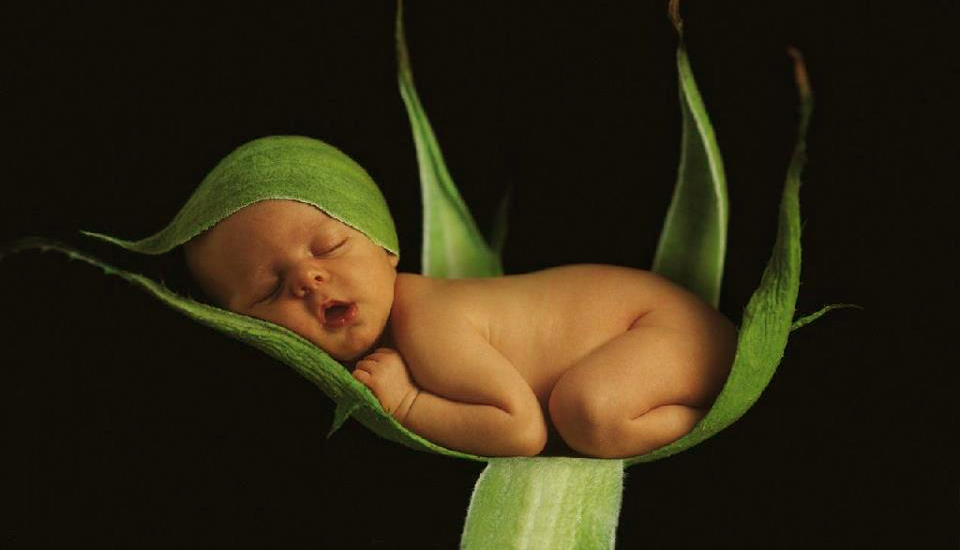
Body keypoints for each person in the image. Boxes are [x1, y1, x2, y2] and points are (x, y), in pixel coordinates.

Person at [182, 194, 737, 459]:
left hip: (663, 329)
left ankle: (722, 417)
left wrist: (406, 404)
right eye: (270, 290)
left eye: (329, 246)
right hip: (651, 335)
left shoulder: (425, 319)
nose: (308, 278)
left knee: (590, 412)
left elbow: (519, 430)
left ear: (385, 247)